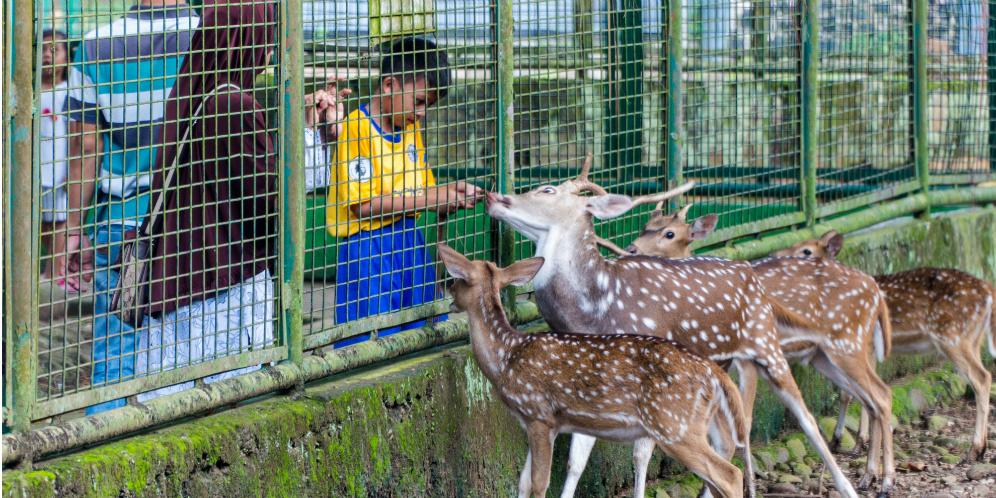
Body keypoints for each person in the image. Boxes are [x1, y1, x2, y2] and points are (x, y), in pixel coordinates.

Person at [133, 0, 348, 401]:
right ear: (244, 38)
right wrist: (316, 138)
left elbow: (246, 177)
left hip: (181, 278)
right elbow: (276, 196)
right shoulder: (234, 103)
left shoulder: (192, 92)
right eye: (266, 38)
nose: (269, 55)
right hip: (218, 293)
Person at [62, 0, 200, 414]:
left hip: (122, 226)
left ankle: (101, 457)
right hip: (190, 219)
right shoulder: (208, 34)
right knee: (187, 349)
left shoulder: (94, 45)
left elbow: (87, 146)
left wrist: (73, 229)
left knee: (114, 355)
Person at [326, 37, 483, 347]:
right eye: (420, 101)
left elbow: (422, 188)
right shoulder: (356, 128)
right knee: (370, 342)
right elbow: (364, 206)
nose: (423, 112)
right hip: (368, 247)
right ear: (389, 86)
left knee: (424, 331)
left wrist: (450, 194)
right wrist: (433, 199)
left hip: (410, 239)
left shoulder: (410, 127)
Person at [39, 29, 71, 278]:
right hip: (36, 172)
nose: (47, 55)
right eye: (42, 49)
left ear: (67, 57)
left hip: (60, 171)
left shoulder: (72, 91)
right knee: (42, 223)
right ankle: (62, 271)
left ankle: (54, 276)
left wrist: (72, 170)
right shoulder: (29, 92)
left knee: (60, 222)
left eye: (54, 50)